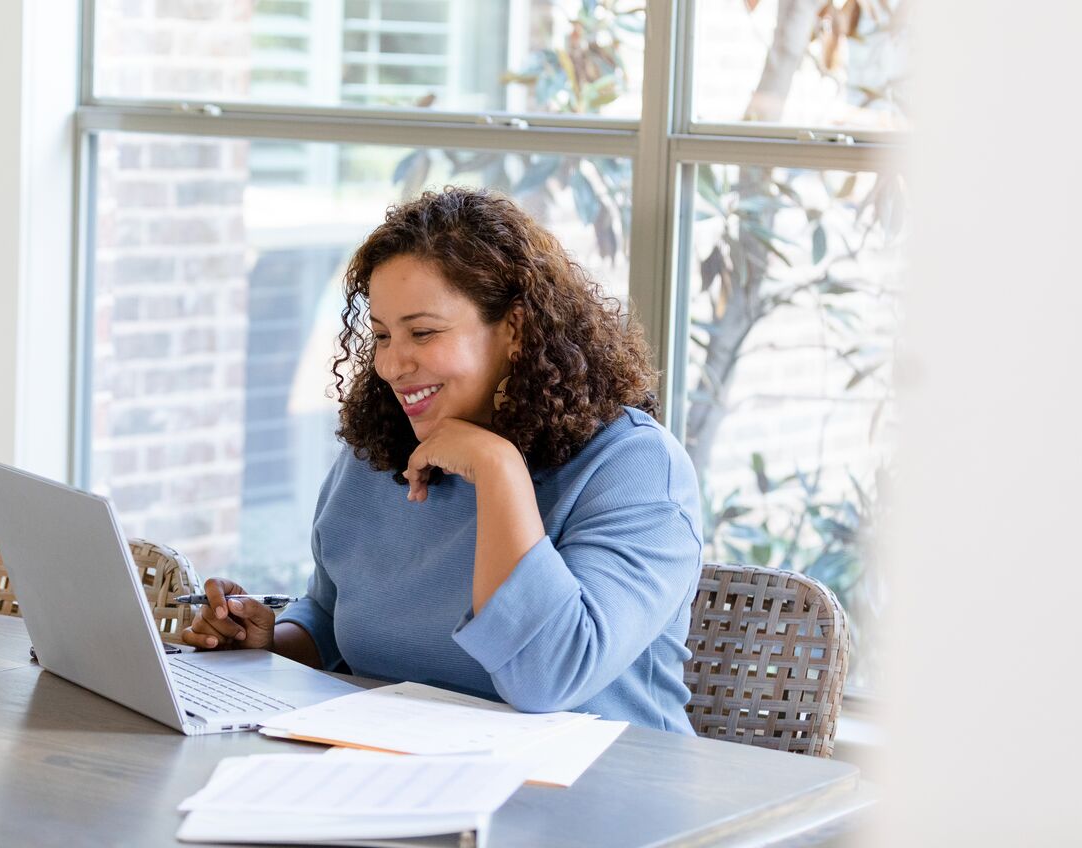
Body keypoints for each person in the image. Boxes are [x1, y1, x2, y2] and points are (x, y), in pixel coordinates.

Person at [181, 187, 703, 732]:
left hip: (604, 794)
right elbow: (335, 615)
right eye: (382, 335)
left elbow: (548, 676)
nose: (391, 364)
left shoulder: (635, 468)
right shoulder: (382, 447)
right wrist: (271, 643)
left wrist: (497, 467)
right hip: (400, 773)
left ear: (517, 330)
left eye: (423, 332)